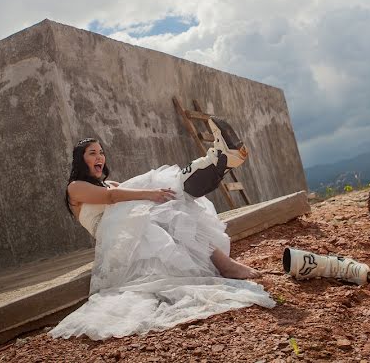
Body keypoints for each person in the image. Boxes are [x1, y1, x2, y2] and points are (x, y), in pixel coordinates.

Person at [49, 120, 275, 340]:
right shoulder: (75, 187)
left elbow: (119, 192)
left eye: (101, 152)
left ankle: (216, 162)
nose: (99, 157)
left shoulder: (110, 183)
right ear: (81, 160)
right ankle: (215, 163)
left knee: (171, 199)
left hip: (127, 223)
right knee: (158, 198)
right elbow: (111, 197)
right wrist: (150, 193)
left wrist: (155, 193)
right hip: (113, 233)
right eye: (92, 153)